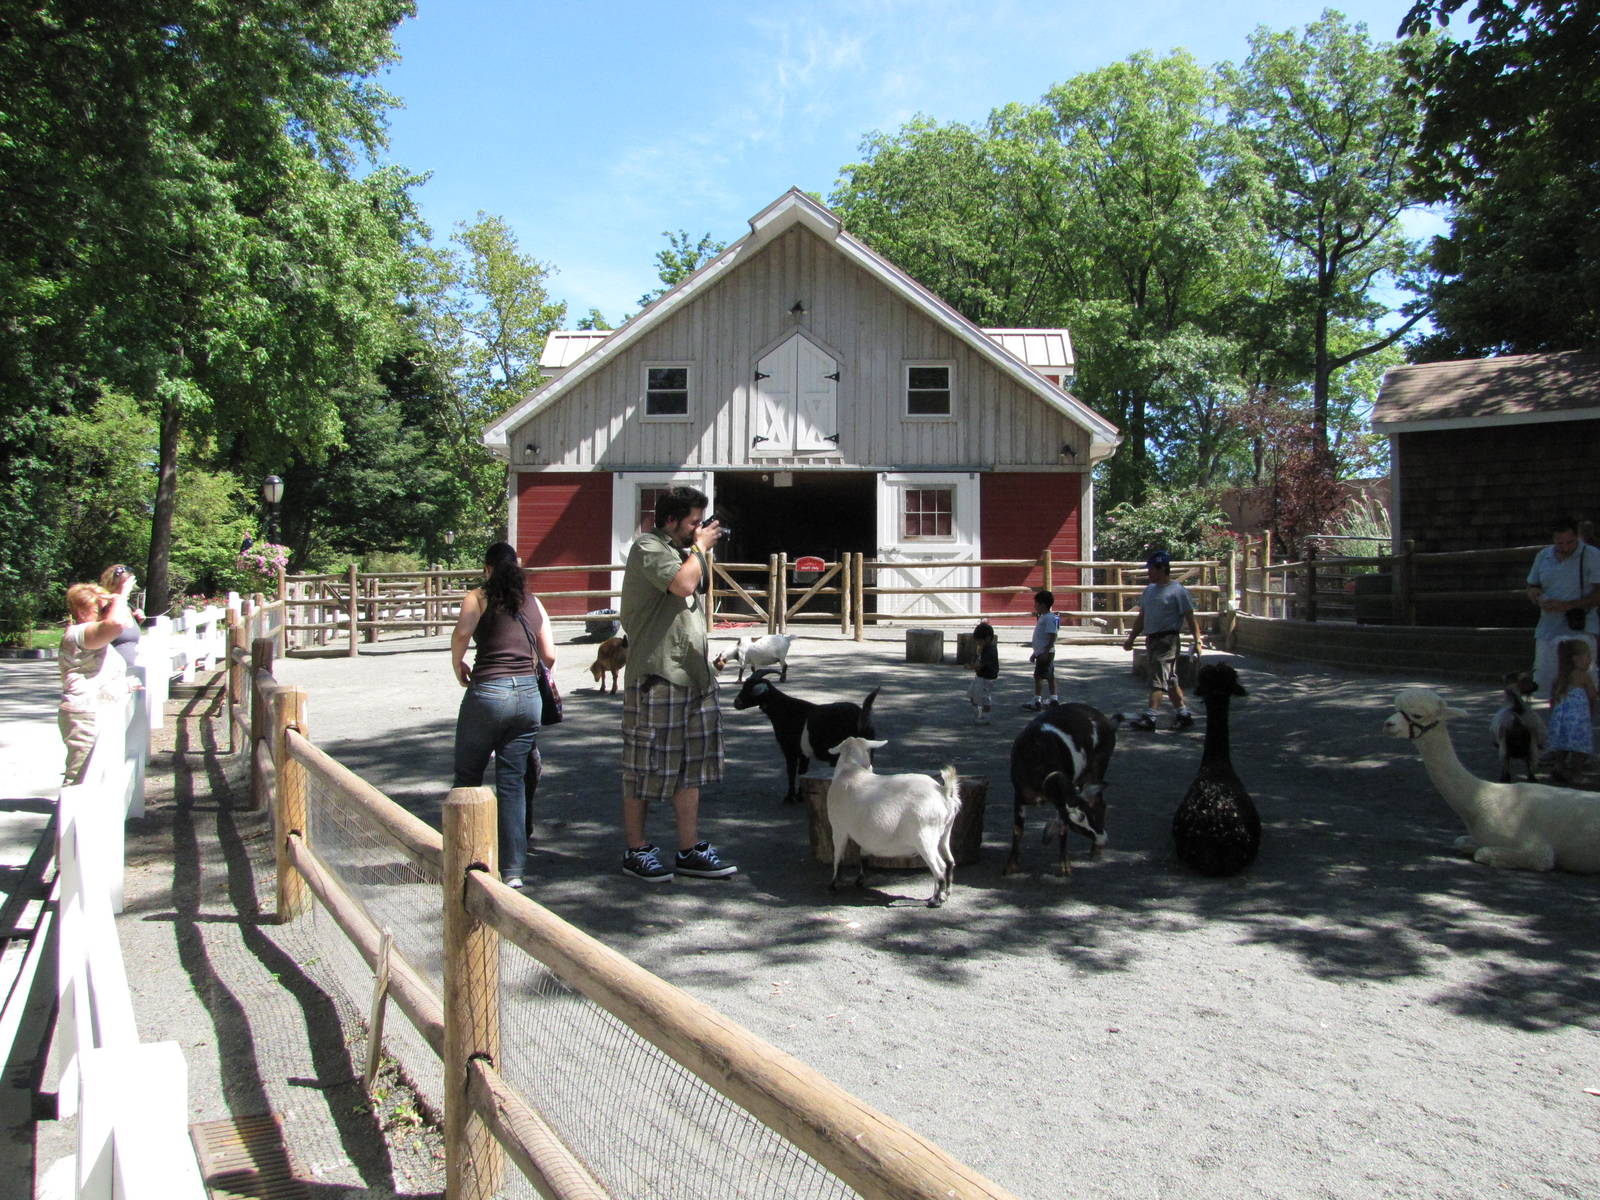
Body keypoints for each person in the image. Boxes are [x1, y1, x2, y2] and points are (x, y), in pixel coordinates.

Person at [618, 486, 737, 882]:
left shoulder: (684, 552)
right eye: (692, 522)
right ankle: (637, 850)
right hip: (657, 678)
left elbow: (694, 584)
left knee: (690, 770)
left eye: (700, 523)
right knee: (643, 768)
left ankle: (688, 849)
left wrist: (697, 548)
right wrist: (700, 549)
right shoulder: (648, 547)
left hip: (694, 677)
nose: (698, 529)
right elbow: (682, 585)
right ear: (670, 520)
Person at [450, 541, 555, 890]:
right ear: (518, 566)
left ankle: (463, 854)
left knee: (468, 774)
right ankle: (513, 871)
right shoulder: (534, 601)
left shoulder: (478, 597)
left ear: (487, 568)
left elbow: (463, 632)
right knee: (512, 783)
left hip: (488, 692)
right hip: (527, 699)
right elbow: (550, 655)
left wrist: (457, 663)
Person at [58, 573, 138, 784]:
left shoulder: (89, 634)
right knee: (80, 780)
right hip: (85, 716)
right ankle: (64, 817)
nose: (107, 612)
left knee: (97, 778)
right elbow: (118, 624)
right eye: (102, 608)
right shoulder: (78, 633)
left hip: (95, 711)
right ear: (84, 611)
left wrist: (122, 685)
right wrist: (120, 595)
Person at [1122, 550, 1203, 731]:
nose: (1148, 573)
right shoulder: (1149, 591)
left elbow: (1190, 618)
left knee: (1157, 680)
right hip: (1152, 640)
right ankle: (1183, 714)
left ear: (1162, 568)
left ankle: (1150, 717)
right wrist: (1131, 638)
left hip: (1168, 640)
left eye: (1151, 569)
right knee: (1170, 679)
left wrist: (1197, 641)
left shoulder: (1177, 591)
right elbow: (1142, 617)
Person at [1526, 516, 1599, 699]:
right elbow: (1532, 585)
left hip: (1579, 626)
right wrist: (1538, 597)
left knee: (1580, 680)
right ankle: (1554, 720)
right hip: (1548, 627)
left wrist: (1566, 605)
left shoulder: (1591, 555)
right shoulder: (1544, 555)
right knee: (1544, 682)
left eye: (1570, 542)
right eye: (1560, 543)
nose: (1565, 547)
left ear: (1577, 537)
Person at [1546, 637, 1597, 783]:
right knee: (1579, 749)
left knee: (1562, 747)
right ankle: (1576, 773)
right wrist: (1593, 709)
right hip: (1579, 721)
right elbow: (1592, 696)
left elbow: (1552, 700)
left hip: (1561, 722)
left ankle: (1558, 768)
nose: (1589, 660)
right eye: (1588, 656)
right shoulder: (1583, 676)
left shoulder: (1560, 677)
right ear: (1576, 659)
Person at [98, 564, 144, 668]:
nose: (131, 589)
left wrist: (138, 622)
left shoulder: (128, 607)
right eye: (127, 585)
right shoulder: (104, 603)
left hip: (131, 673)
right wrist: (121, 595)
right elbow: (109, 627)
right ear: (114, 584)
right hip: (110, 672)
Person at [1023, 590, 1060, 711]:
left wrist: (1045, 651)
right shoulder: (1045, 617)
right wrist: (1035, 653)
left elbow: (1052, 635)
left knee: (1038, 676)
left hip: (1046, 652)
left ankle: (1037, 701)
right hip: (1043, 651)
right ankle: (1053, 699)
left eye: (1036, 604)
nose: (1035, 606)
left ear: (1043, 604)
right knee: (1049, 675)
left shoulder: (1049, 618)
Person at [967, 621, 998, 724]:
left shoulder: (990, 650)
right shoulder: (984, 648)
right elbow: (979, 660)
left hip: (987, 678)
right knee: (973, 695)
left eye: (979, 641)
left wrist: (971, 666)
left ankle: (985, 717)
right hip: (980, 676)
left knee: (984, 698)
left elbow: (982, 664)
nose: (978, 643)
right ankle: (979, 713)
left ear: (988, 638)